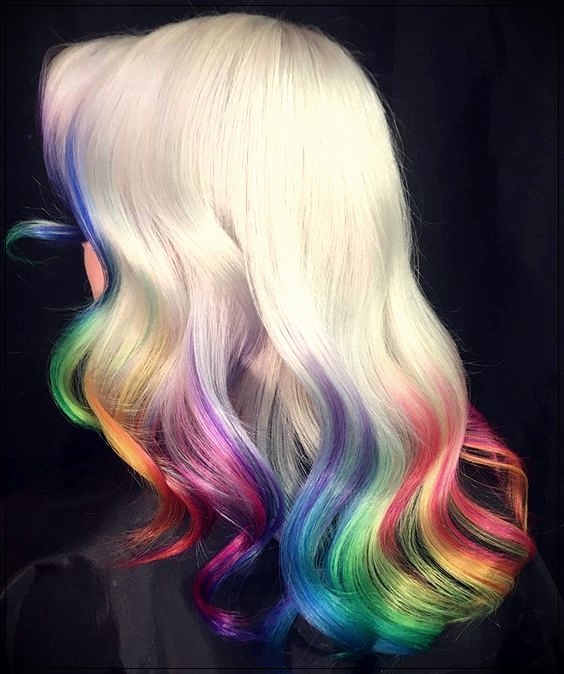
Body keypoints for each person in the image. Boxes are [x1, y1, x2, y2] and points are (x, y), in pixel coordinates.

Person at [4, 11, 562, 672]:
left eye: (93, 224)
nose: (86, 256)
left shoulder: (71, 589)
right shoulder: (480, 529)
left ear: (155, 260)